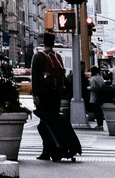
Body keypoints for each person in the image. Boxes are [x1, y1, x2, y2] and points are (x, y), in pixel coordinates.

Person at [31, 32, 74, 162]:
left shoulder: (38, 57)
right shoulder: (58, 56)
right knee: (53, 121)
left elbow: (35, 77)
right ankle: (55, 147)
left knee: (44, 122)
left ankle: (47, 150)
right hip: (56, 94)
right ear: (53, 43)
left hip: (44, 94)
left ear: (44, 43)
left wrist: (35, 94)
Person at [89, 65, 105, 130]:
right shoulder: (101, 77)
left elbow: (92, 87)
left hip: (94, 96)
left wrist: (87, 88)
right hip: (100, 96)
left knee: (96, 112)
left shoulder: (93, 78)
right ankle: (101, 124)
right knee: (99, 111)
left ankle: (99, 124)